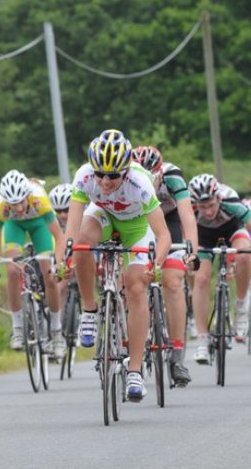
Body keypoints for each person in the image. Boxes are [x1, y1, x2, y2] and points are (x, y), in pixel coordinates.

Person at [61, 129, 171, 402]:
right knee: (83, 241)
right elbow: (72, 228)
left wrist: (156, 264)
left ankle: (134, 371)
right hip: (104, 216)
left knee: (135, 287)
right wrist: (65, 256)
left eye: (113, 175)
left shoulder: (140, 182)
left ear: (126, 171)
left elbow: (163, 235)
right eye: (100, 174)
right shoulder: (84, 175)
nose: (105, 181)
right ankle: (89, 309)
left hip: (136, 227)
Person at [132, 145, 197, 386]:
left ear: (160, 172)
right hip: (139, 222)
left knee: (172, 281)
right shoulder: (129, 179)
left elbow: (187, 215)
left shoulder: (173, 176)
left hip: (169, 222)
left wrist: (191, 250)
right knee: (131, 279)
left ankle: (177, 356)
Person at [0, 170, 66, 360]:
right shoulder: (0, 208)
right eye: (13, 204)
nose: (19, 208)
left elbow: (59, 236)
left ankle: (56, 333)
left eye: (22, 202)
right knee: (13, 270)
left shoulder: (39, 199)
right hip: (15, 227)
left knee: (50, 276)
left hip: (39, 225)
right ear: (6, 201)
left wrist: (59, 262)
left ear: (28, 195)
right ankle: (17, 329)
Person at [187, 173, 251, 364]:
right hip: (204, 236)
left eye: (211, 205)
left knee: (245, 255)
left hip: (232, 229)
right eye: (202, 206)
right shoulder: (188, 207)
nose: (207, 212)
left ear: (219, 198)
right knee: (201, 279)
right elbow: (186, 235)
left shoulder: (230, 200)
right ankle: (202, 340)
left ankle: (240, 307)